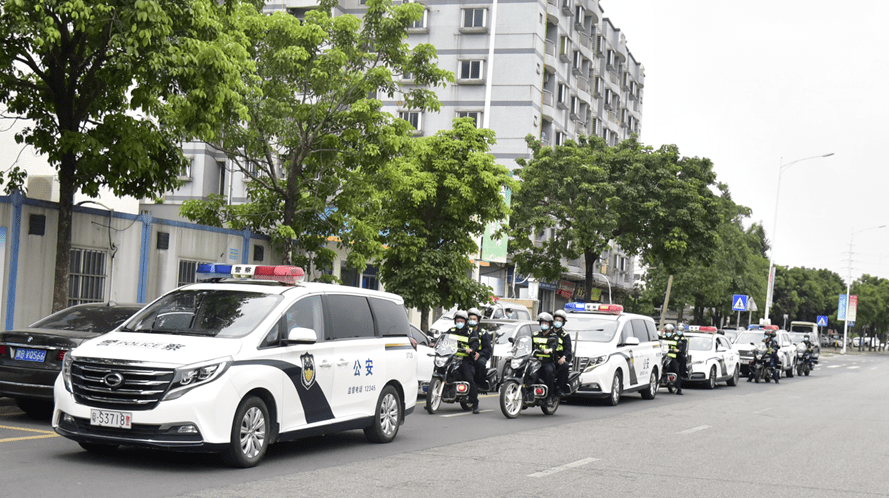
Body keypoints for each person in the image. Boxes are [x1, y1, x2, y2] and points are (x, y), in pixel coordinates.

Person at [449, 310, 481, 413]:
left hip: (466, 360)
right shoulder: (451, 330)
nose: (459, 323)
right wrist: (434, 342)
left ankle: (475, 404)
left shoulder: (471, 332)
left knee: (469, 379)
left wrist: (471, 349)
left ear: (465, 322)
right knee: (440, 369)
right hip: (451, 358)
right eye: (458, 321)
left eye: (461, 321)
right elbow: (443, 339)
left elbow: (476, 343)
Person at [532, 312, 567, 405]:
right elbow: (529, 346)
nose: (544, 325)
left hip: (547, 361)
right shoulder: (535, 334)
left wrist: (550, 350)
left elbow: (554, 346)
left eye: (546, 323)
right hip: (535, 361)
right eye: (542, 323)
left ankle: (549, 397)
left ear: (550, 324)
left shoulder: (554, 336)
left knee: (549, 373)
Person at [467, 307, 492, 394]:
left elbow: (488, 349)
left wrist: (479, 354)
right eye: (470, 319)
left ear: (478, 321)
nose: (472, 321)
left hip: (479, 356)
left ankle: (480, 384)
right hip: (466, 355)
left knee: (480, 364)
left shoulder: (483, 333)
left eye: (474, 319)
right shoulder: (464, 331)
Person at [551, 310, 574, 395]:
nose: (557, 322)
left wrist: (563, 357)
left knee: (564, 367)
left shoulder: (565, 335)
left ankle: (559, 388)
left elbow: (568, 350)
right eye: (556, 320)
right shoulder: (548, 332)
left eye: (560, 321)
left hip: (559, 358)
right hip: (548, 357)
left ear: (563, 323)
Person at [661, 326, 684, 395]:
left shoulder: (676, 339)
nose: (668, 333)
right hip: (663, 357)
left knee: (677, 371)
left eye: (670, 331)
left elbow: (680, 347)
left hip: (672, 358)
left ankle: (678, 388)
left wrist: (678, 349)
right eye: (667, 331)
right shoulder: (662, 338)